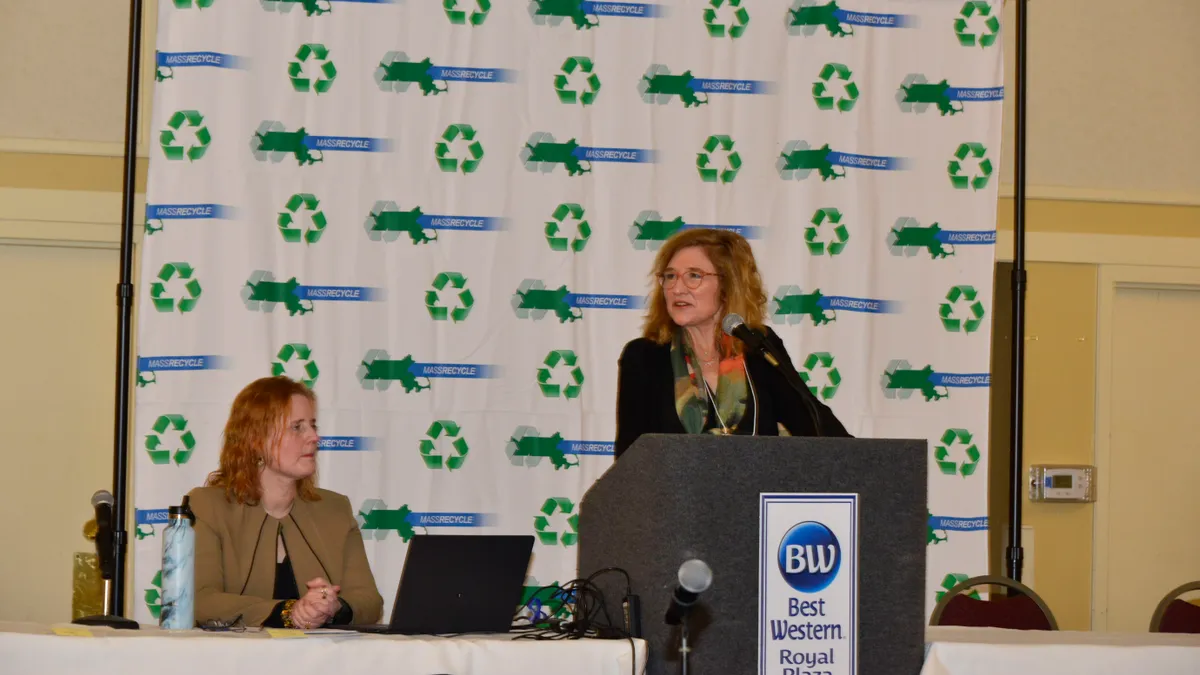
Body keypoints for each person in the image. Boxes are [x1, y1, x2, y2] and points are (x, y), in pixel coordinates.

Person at [615, 228, 850, 458]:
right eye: (670, 276)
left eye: (694, 276)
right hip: (675, 495)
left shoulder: (757, 345)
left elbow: (813, 425)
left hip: (755, 492)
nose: (677, 288)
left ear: (728, 286)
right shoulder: (644, 357)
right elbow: (629, 460)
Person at [187, 376, 383, 628]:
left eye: (313, 425)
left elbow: (369, 601)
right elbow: (200, 601)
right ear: (256, 440)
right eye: (297, 427)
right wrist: (288, 611)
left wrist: (336, 607)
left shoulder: (335, 509)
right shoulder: (207, 506)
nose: (314, 437)